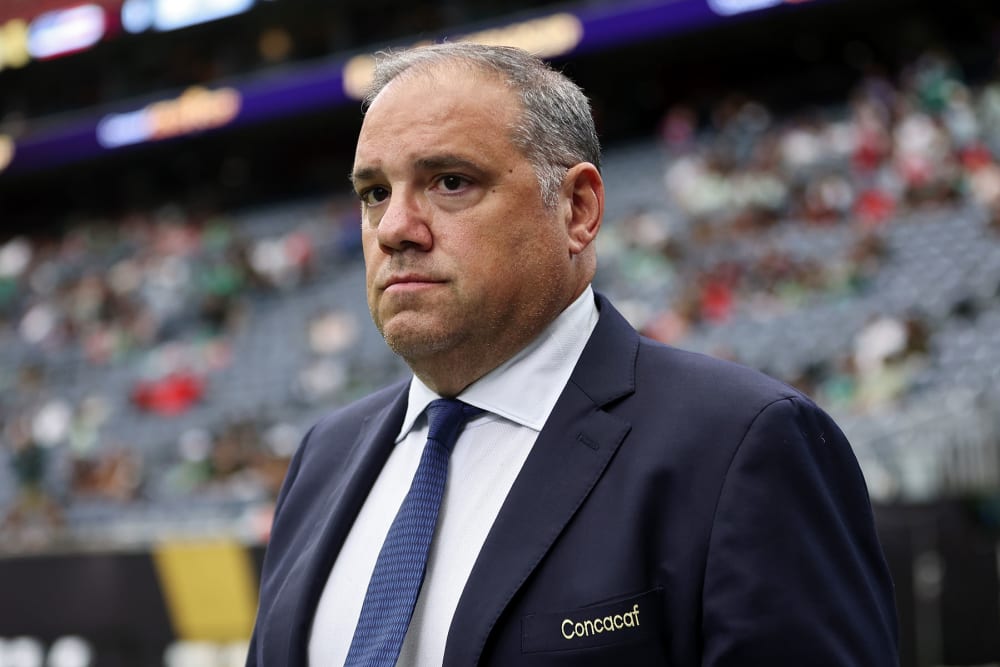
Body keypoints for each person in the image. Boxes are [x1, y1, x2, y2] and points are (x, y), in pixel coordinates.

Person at [247, 43, 898, 666]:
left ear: (578, 209)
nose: (394, 228)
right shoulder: (322, 457)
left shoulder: (740, 444)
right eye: (374, 193)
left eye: (450, 181)